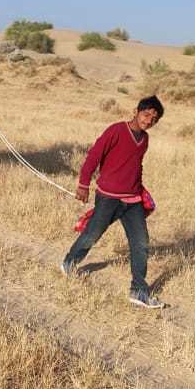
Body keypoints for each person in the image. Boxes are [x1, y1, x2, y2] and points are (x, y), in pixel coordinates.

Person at [60, 96, 167, 309]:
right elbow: (93, 156)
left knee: (141, 244)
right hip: (108, 197)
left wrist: (142, 193)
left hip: (133, 200)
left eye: (154, 119)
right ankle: (70, 261)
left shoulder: (144, 139)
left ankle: (138, 291)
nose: (149, 121)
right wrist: (83, 184)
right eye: (146, 115)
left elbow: (136, 165)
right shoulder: (116, 130)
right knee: (92, 234)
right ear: (135, 111)